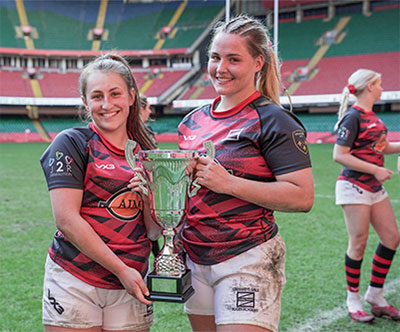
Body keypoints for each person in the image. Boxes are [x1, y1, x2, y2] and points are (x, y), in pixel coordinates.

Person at [178, 15, 314, 332]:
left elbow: (302, 196)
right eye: (215, 57)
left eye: (233, 59)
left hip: (247, 255)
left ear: (258, 62)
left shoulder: (275, 120)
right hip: (195, 258)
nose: (220, 68)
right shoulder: (192, 122)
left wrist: (229, 183)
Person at [40, 53, 161, 332]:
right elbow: (67, 220)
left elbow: (154, 232)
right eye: (97, 96)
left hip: (132, 281)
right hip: (76, 278)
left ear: (131, 97)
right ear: (85, 102)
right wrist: (121, 270)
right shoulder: (71, 143)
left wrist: (148, 200)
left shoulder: (148, 155)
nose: (107, 105)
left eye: (115, 93)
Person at [333, 69, 400, 323]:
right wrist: (375, 169)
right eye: (380, 83)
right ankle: (353, 298)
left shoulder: (374, 118)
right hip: (353, 186)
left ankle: (375, 295)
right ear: (370, 86)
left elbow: (383, 148)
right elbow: (339, 155)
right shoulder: (353, 117)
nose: (382, 88)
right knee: (358, 242)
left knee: (392, 238)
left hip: (374, 189)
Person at [139, 94, 160, 257]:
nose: (150, 112)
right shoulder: (145, 131)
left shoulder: (121, 129)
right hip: (145, 184)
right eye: (148, 108)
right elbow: (156, 158)